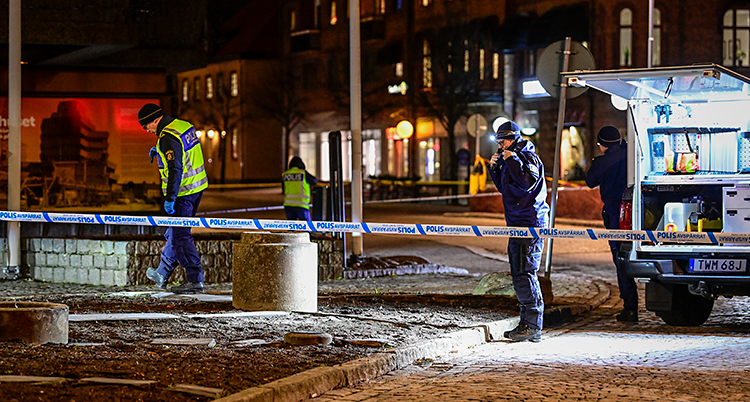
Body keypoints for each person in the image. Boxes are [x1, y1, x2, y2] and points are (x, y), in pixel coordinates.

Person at [488, 121, 550, 342]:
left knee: (525, 272)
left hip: (530, 222)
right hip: (516, 222)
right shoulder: (510, 157)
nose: (500, 146)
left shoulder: (527, 157)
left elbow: (525, 183)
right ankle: (527, 323)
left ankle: (532, 325)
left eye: (502, 141)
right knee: (518, 272)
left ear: (513, 138)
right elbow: (506, 188)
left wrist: (512, 161)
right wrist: (495, 169)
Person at [138, 103, 209, 294]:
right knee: (175, 232)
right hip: (197, 187)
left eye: (146, 125)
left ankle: (195, 280)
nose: (146, 129)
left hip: (183, 193)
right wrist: (161, 153)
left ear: (155, 120)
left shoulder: (168, 137)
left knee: (180, 237)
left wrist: (170, 197)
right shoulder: (182, 126)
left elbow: (175, 169)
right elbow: (184, 154)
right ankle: (162, 273)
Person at [586, 125, 638, 322]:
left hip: (616, 214)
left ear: (602, 145)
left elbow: (590, 181)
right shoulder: (629, 154)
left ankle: (630, 307)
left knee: (620, 257)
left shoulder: (603, 162)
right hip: (636, 209)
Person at [282, 156, 319, 220]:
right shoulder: (303, 173)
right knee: (307, 227)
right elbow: (314, 181)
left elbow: (283, 188)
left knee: (291, 227)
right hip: (301, 205)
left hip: (288, 205)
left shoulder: (285, 174)